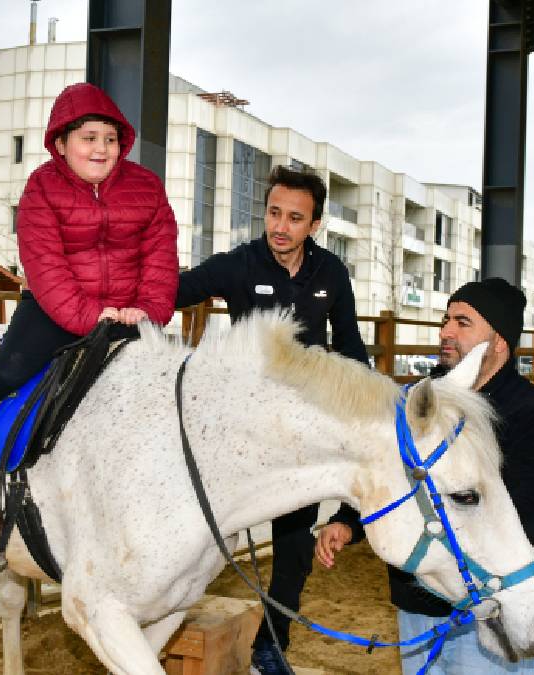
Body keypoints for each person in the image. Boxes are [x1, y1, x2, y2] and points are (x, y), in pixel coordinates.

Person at [0, 82, 178, 495]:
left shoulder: (146, 186)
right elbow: (45, 265)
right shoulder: (42, 187)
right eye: (89, 138)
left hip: (129, 312)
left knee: (170, 383)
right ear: (61, 141)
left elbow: (160, 256)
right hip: (56, 307)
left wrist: (149, 308)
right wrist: (90, 315)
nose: (100, 149)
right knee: (9, 369)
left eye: (110, 139)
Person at [315, 277, 534, 674]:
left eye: (463, 322)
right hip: (418, 599)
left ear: (499, 341)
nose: (446, 332)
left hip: (490, 608)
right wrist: (348, 522)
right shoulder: (424, 401)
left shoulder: (533, 416)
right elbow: (393, 472)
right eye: (446, 320)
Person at [174, 165, 368, 675]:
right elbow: (175, 289)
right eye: (274, 213)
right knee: (199, 521)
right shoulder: (239, 264)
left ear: (316, 224)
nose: (280, 226)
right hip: (242, 421)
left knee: (294, 545)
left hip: (301, 429)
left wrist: (368, 404)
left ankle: (271, 644)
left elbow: (349, 345)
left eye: (295, 218)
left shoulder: (331, 274)